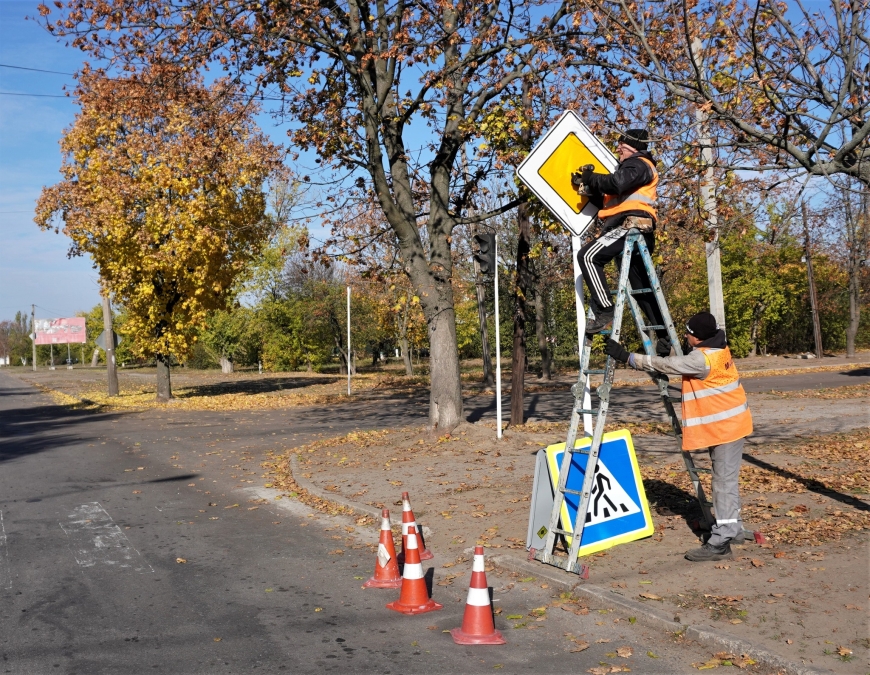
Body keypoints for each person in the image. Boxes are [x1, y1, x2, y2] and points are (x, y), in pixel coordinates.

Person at [604, 312, 753, 562]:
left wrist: (627, 357)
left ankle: (722, 541)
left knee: (723, 483)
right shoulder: (718, 347)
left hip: (726, 428)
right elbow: (686, 362)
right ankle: (733, 528)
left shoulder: (702, 359)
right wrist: (670, 353)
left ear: (699, 337)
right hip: (731, 425)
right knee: (726, 480)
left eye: (689, 333)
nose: (685, 335)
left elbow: (670, 366)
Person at [573, 128, 670, 356]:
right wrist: (585, 185)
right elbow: (611, 195)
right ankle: (665, 336)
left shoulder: (639, 164)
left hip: (632, 227)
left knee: (587, 256)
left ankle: (605, 308)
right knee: (641, 290)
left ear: (632, 148)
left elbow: (616, 183)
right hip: (630, 230)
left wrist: (592, 178)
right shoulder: (630, 170)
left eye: (621, 146)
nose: (618, 150)